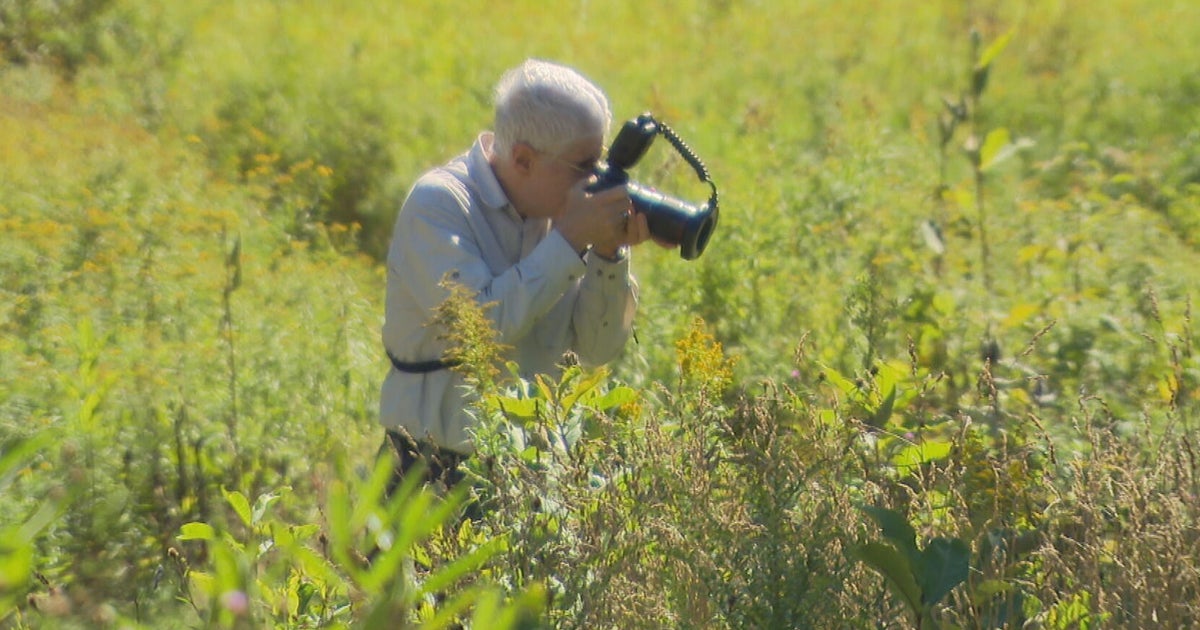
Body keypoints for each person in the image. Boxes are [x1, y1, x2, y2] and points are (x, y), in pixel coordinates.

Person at [378, 59, 653, 492]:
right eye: (584, 166)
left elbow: (597, 350)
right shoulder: (439, 205)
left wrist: (607, 254)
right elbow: (479, 332)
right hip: (430, 470)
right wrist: (566, 241)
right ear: (523, 159)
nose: (596, 181)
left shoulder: (558, 216)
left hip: (535, 470)